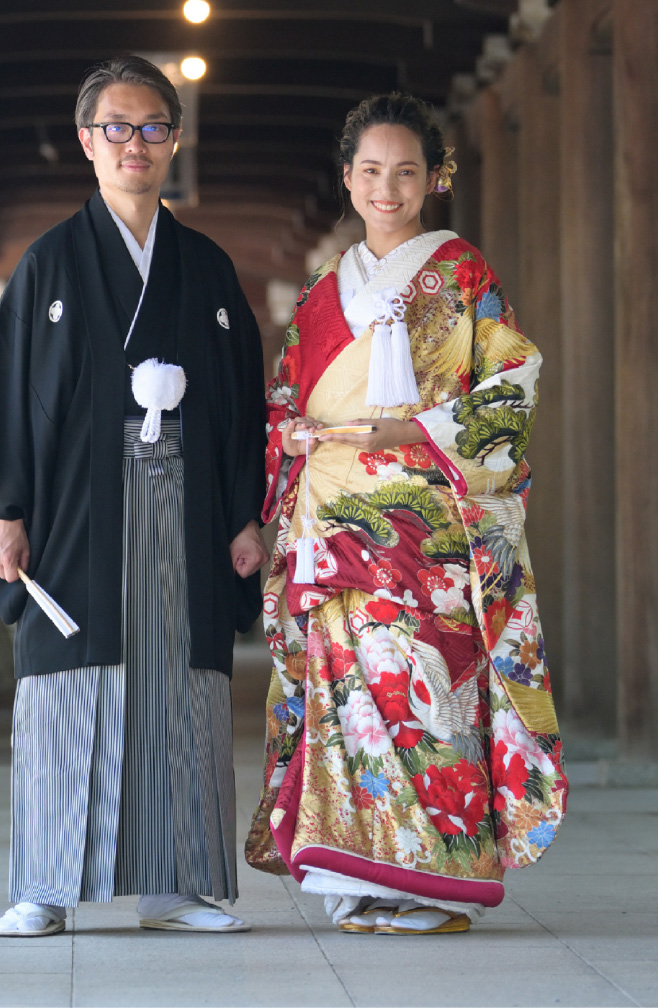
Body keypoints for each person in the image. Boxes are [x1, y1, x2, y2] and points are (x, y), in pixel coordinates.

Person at [0, 56, 266, 938]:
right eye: (116, 128)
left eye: (153, 127)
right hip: (77, 515)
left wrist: (246, 515)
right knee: (66, 690)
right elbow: (10, 393)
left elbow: (242, 401)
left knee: (177, 690)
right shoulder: (48, 265)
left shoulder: (204, 268)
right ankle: (44, 885)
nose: (135, 143)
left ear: (174, 141)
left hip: (183, 505)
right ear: (87, 142)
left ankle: (175, 884)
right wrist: (6, 510)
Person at [247, 93, 567, 936]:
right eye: (371, 171)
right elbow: (282, 396)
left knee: (426, 690)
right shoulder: (324, 288)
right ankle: (359, 870)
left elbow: (511, 383)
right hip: (329, 516)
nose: (387, 188)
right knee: (346, 695)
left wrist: (416, 429)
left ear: (435, 178)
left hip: (424, 526)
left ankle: (434, 878)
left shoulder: (463, 275)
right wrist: (295, 435)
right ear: (347, 178)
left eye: (406, 172)